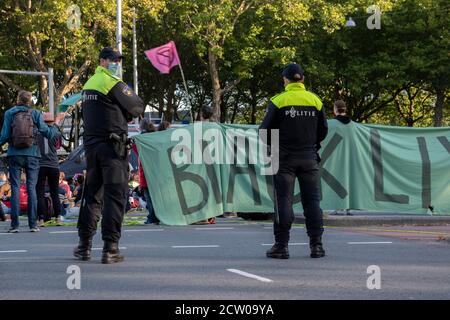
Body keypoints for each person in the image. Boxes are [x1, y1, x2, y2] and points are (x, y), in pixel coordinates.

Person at [74, 47, 145, 264]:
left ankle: (84, 246)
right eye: (113, 60)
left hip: (92, 149)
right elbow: (137, 107)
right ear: (102, 61)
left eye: (118, 60)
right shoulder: (110, 82)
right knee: (115, 197)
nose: (116, 63)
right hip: (113, 149)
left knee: (92, 196)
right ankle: (110, 248)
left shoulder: (88, 85)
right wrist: (125, 112)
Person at [259, 63, 328, 259]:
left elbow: (264, 131)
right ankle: (317, 246)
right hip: (309, 158)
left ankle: (282, 246)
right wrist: (312, 146)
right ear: (303, 80)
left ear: (285, 80)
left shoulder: (279, 101)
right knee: (312, 202)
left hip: (283, 159)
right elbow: (323, 130)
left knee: (283, 202)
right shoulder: (315, 101)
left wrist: (276, 147)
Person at [0, 90, 58, 233]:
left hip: (14, 154)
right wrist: (54, 126)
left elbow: (5, 135)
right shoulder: (36, 113)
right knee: (31, 188)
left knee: (15, 187)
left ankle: (15, 225)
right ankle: (33, 224)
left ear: (18, 100)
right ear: (30, 101)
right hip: (33, 155)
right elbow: (48, 133)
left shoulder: (10, 113)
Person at [36, 112, 63, 226]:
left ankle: (41, 219)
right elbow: (58, 146)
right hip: (53, 165)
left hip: (40, 165)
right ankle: (58, 217)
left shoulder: (37, 132)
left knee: (40, 193)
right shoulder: (56, 132)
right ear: (52, 121)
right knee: (54, 192)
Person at [134, 118, 160, 225]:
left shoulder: (141, 138)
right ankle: (157, 216)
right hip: (155, 172)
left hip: (145, 173)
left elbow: (136, 150)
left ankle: (152, 217)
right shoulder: (154, 137)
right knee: (155, 197)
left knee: (149, 197)